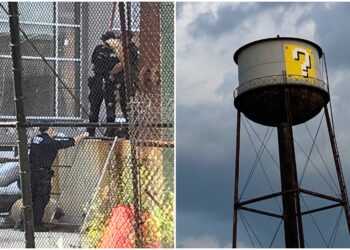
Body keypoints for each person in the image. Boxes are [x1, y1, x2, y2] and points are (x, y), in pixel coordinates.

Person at [28, 125, 88, 231]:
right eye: (52, 128)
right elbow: (70, 142)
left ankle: (27, 223)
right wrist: (83, 135)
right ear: (49, 129)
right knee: (41, 198)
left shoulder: (35, 139)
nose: (54, 130)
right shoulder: (50, 142)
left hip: (31, 172)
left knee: (31, 198)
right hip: (43, 173)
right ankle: (36, 224)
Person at [87, 30, 123, 137]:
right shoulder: (99, 49)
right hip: (99, 79)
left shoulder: (117, 51)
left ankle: (110, 133)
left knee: (110, 108)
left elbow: (120, 64)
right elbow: (95, 62)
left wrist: (111, 71)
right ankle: (91, 132)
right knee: (94, 107)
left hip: (109, 80)